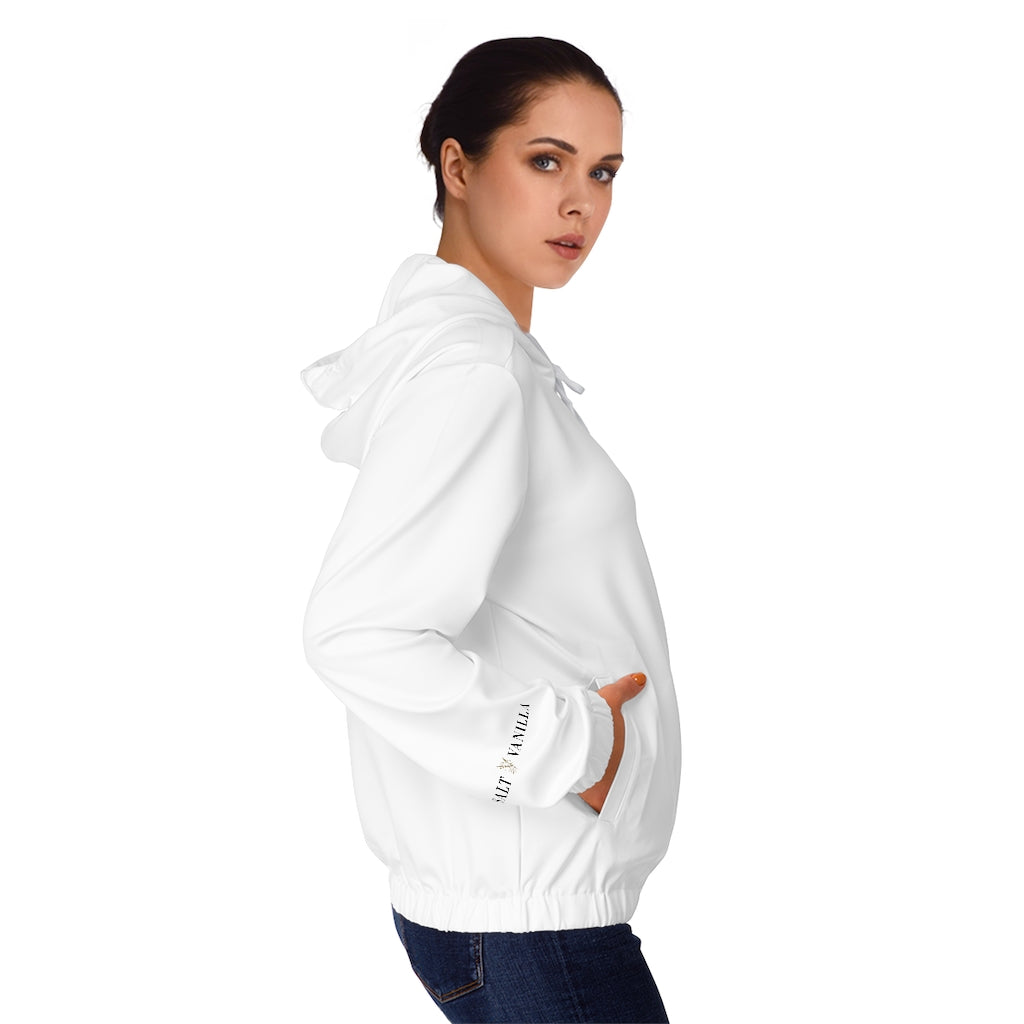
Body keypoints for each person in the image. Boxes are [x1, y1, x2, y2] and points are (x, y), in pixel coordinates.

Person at [300, 37, 681, 1024]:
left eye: (603, 172)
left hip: (520, 912)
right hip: (532, 924)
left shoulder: (475, 357)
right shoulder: (471, 373)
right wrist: (572, 745)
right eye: (546, 161)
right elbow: (356, 632)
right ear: (458, 167)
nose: (580, 204)